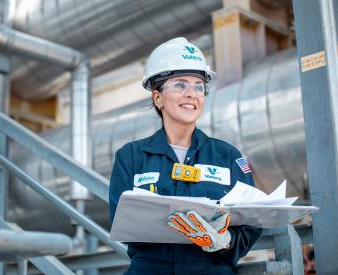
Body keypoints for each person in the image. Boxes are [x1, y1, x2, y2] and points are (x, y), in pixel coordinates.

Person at [109, 37, 262, 275]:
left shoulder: (228, 157)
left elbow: (252, 222)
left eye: (198, 86)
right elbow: (122, 224)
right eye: (180, 85)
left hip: (212, 269)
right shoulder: (131, 157)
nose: (192, 94)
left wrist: (226, 239)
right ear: (157, 97)